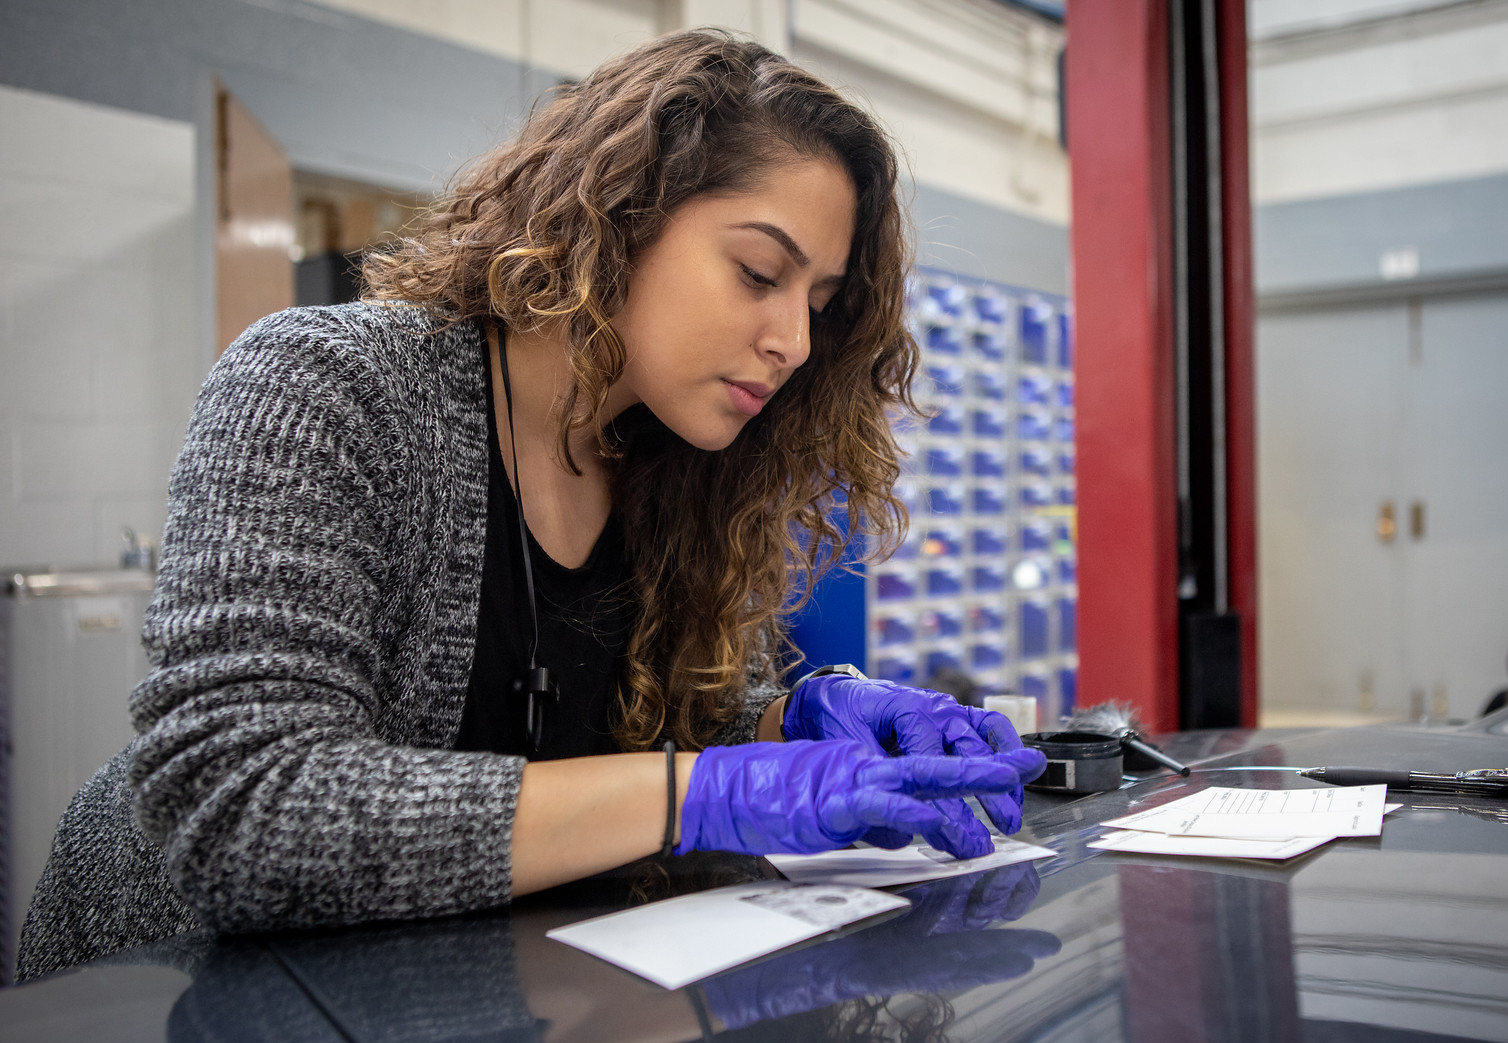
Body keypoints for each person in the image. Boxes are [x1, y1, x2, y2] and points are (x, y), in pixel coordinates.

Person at [17, 30, 1044, 982]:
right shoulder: (329, 386)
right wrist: (707, 791)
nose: (794, 342)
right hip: (166, 995)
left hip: (445, 992)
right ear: (618, 216)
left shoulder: (672, 469)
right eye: (757, 272)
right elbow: (240, 813)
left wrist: (786, 720)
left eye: (816, 305)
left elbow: (615, 730)